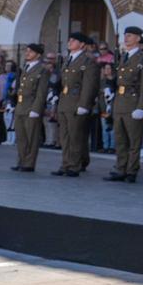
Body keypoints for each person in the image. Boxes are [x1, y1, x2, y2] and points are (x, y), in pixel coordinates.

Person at [107, 26, 143, 183]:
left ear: (137, 38)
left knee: (134, 141)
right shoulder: (123, 57)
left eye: (129, 36)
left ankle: (131, 170)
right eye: (125, 35)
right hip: (120, 103)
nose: (126, 38)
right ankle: (120, 168)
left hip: (134, 103)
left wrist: (141, 107)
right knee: (120, 139)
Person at [54, 33, 99, 177]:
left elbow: (89, 85)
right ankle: (66, 163)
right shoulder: (68, 59)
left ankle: (74, 165)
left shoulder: (87, 61)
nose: (70, 42)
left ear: (82, 44)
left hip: (76, 102)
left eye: (73, 40)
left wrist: (84, 104)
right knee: (65, 136)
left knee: (76, 136)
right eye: (70, 40)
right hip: (65, 102)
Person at [12, 44, 49, 172]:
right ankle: (22, 160)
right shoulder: (26, 68)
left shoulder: (42, 70)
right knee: (21, 137)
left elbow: (41, 92)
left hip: (31, 107)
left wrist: (36, 109)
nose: (27, 53)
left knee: (31, 137)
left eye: (31, 52)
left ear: (38, 54)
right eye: (27, 51)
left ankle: (29, 163)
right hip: (21, 107)